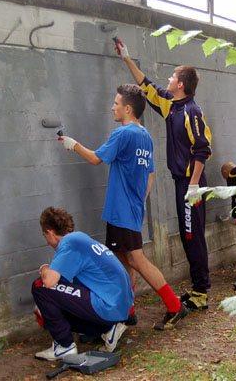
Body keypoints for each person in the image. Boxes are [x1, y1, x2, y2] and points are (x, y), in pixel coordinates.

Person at [57, 84, 188, 330]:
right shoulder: (145, 136)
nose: (112, 107)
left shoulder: (122, 134)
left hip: (121, 212)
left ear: (127, 109)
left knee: (136, 260)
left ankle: (174, 306)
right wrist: (137, 199)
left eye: (116, 103)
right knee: (121, 262)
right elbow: (150, 174)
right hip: (131, 209)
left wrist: (72, 144)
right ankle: (127, 312)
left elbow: (96, 158)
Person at [115, 38, 213, 311]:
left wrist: (193, 186)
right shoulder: (172, 105)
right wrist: (126, 58)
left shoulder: (192, 111)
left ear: (181, 84)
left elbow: (202, 150)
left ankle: (201, 291)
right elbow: (147, 87)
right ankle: (198, 287)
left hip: (191, 184)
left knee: (193, 236)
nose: (168, 80)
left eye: (172, 77)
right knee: (186, 234)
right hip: (181, 182)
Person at [31, 207, 134, 360]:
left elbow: (49, 281)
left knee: (39, 286)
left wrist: (44, 268)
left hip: (109, 306)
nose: (46, 241)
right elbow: (64, 284)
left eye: (44, 235)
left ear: (50, 232)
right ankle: (107, 329)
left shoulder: (69, 243)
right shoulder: (80, 240)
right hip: (120, 307)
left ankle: (64, 346)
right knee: (56, 297)